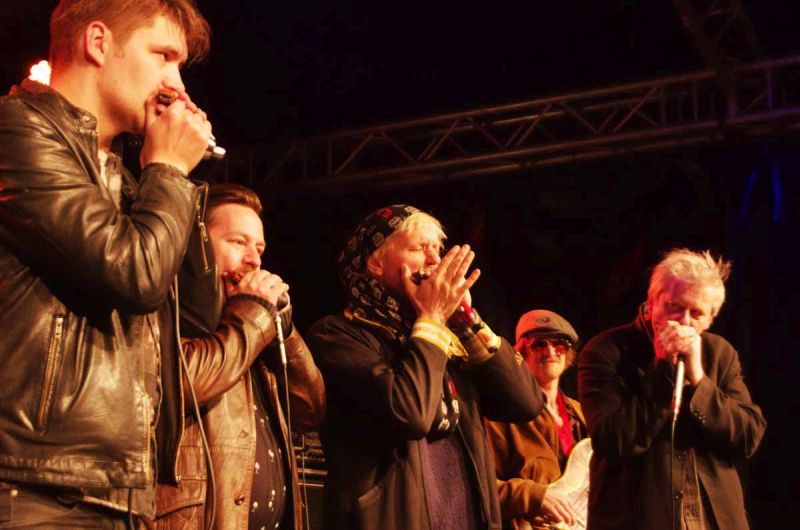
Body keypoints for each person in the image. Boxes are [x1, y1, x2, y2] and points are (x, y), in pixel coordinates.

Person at [0, 0, 215, 526]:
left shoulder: (128, 179)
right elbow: (134, 275)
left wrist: (177, 175)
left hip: (118, 491)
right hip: (35, 488)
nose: (176, 83)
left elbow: (198, 315)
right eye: (164, 56)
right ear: (98, 43)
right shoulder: (15, 129)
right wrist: (169, 170)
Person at [306, 204, 543, 530]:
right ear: (375, 263)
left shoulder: (447, 336)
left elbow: (525, 403)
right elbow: (410, 413)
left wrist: (469, 323)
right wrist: (431, 317)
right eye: (419, 248)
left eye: (438, 250)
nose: (435, 261)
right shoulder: (338, 334)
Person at [155, 183, 326, 529]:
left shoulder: (252, 326)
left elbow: (310, 410)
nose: (254, 260)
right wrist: (253, 314)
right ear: (196, 248)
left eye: (259, 248)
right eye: (238, 242)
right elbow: (183, 386)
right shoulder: (164, 311)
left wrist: (286, 332)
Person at [577, 248, 767, 530]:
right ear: (652, 301)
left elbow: (748, 437)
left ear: (710, 318)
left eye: (696, 313)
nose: (684, 321)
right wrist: (663, 367)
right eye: (674, 306)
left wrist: (699, 379)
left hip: (713, 519)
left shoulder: (720, 353)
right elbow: (613, 441)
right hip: (639, 519)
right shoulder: (605, 351)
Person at [485, 309, 588, 530]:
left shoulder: (581, 413)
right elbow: (479, 488)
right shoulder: (500, 413)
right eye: (539, 344)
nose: (550, 351)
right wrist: (532, 495)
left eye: (559, 344)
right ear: (522, 352)